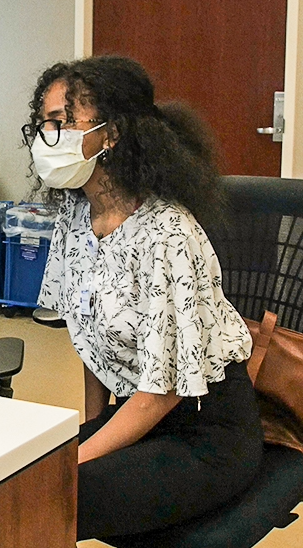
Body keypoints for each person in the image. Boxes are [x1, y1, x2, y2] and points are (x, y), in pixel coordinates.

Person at [22, 55, 263, 541]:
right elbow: (85, 335)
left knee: (51, 493)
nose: (48, 138)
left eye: (62, 122)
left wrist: (79, 454)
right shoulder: (73, 217)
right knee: (15, 476)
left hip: (204, 431)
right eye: (42, 125)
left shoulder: (167, 233)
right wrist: (92, 425)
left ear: (111, 134)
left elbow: (163, 392)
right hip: (136, 415)